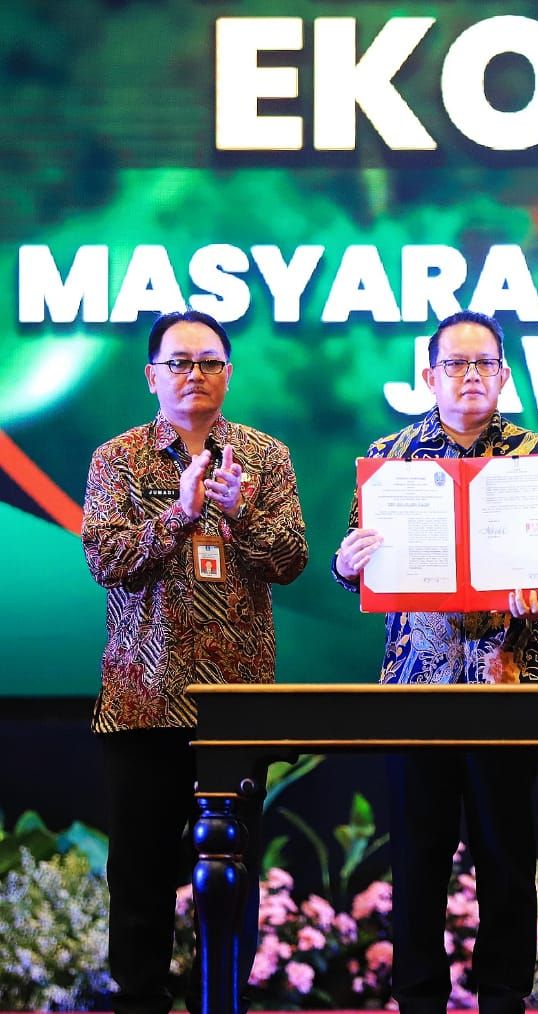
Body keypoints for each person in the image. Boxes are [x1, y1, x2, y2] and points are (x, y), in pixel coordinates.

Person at [332, 309, 538, 1014]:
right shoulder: (390, 460)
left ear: (504, 375)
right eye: (455, 364)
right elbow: (354, 559)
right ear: (428, 375)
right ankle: (418, 997)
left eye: (484, 364)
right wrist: (345, 564)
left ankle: (503, 996)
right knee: (418, 854)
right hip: (415, 689)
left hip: (507, 686)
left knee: (506, 855)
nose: (470, 376)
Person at [82, 308, 309, 1013]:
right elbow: (106, 559)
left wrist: (240, 514)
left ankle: (223, 1002)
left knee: (233, 871)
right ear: (152, 375)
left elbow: (292, 562)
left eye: (209, 362)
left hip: (236, 703)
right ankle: (140, 1002)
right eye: (179, 362)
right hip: (143, 698)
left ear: (229, 374)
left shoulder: (265, 458)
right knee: (141, 875)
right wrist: (178, 514)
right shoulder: (116, 459)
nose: (194, 375)